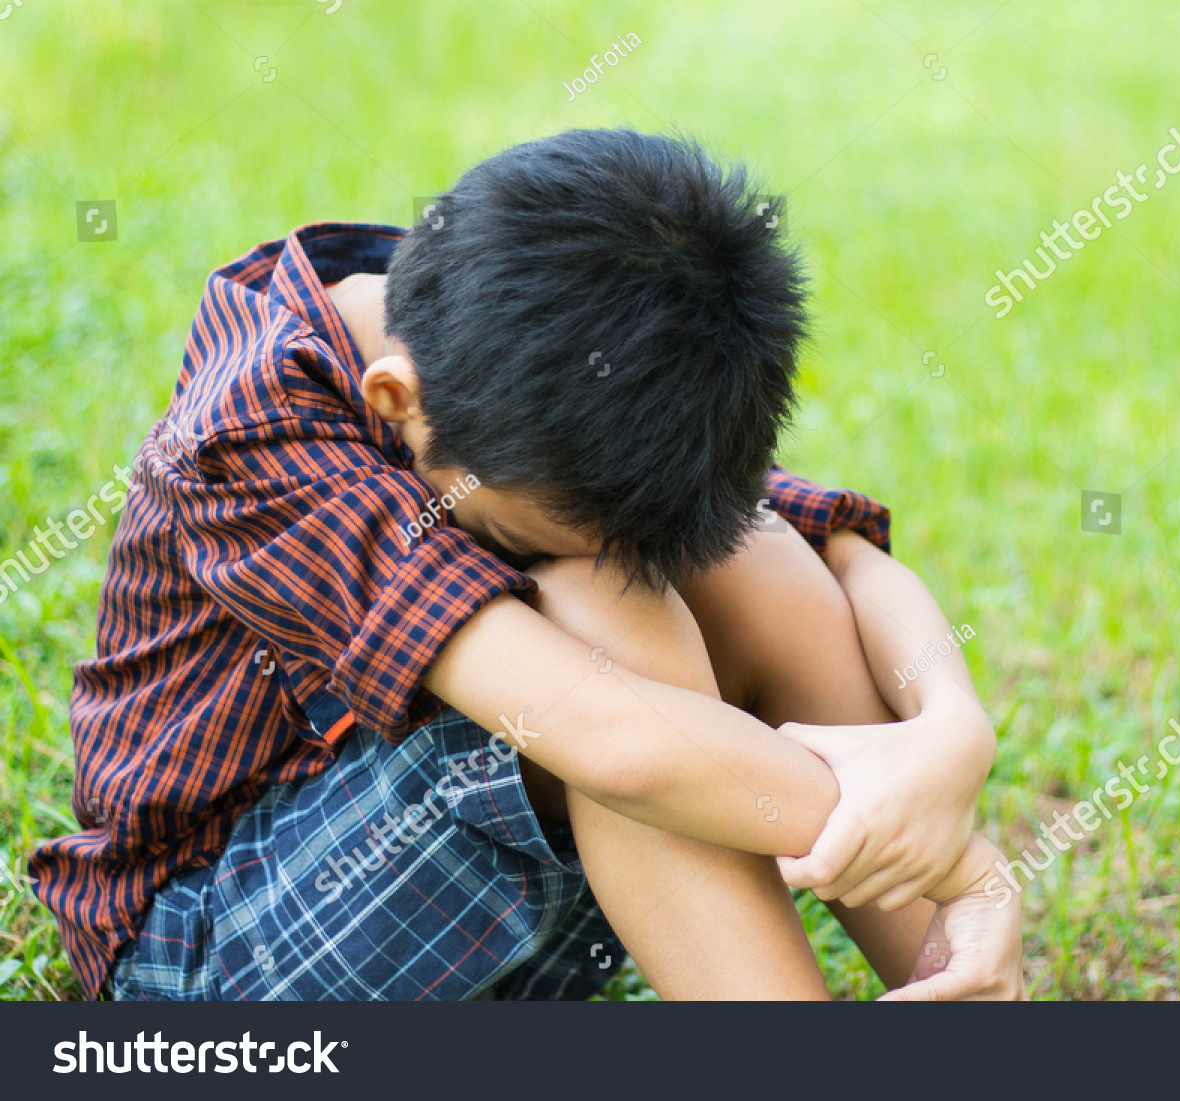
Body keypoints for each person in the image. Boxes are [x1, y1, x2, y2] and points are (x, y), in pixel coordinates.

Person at [32, 128, 1025, 1001]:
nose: (570, 557)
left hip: (448, 897)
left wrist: (951, 735)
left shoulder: (540, 326)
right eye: (530, 537)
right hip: (213, 939)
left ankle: (964, 997)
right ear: (392, 402)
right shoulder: (251, 437)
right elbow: (611, 740)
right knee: (613, 619)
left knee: (760, 562)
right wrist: (958, 863)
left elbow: (839, 552)